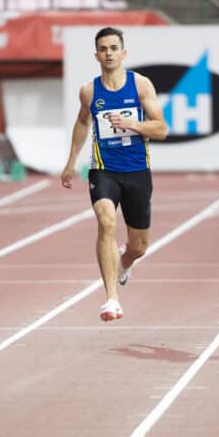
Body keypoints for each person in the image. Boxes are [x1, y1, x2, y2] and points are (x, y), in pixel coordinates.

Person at [60, 26, 168, 322]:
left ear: (124, 53)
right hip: (103, 170)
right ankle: (111, 299)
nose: (108, 53)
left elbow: (162, 129)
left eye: (113, 48)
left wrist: (134, 124)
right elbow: (83, 123)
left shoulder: (141, 85)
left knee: (139, 246)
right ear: (96, 55)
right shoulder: (89, 91)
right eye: (103, 49)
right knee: (106, 222)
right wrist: (71, 161)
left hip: (137, 171)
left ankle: (125, 261)